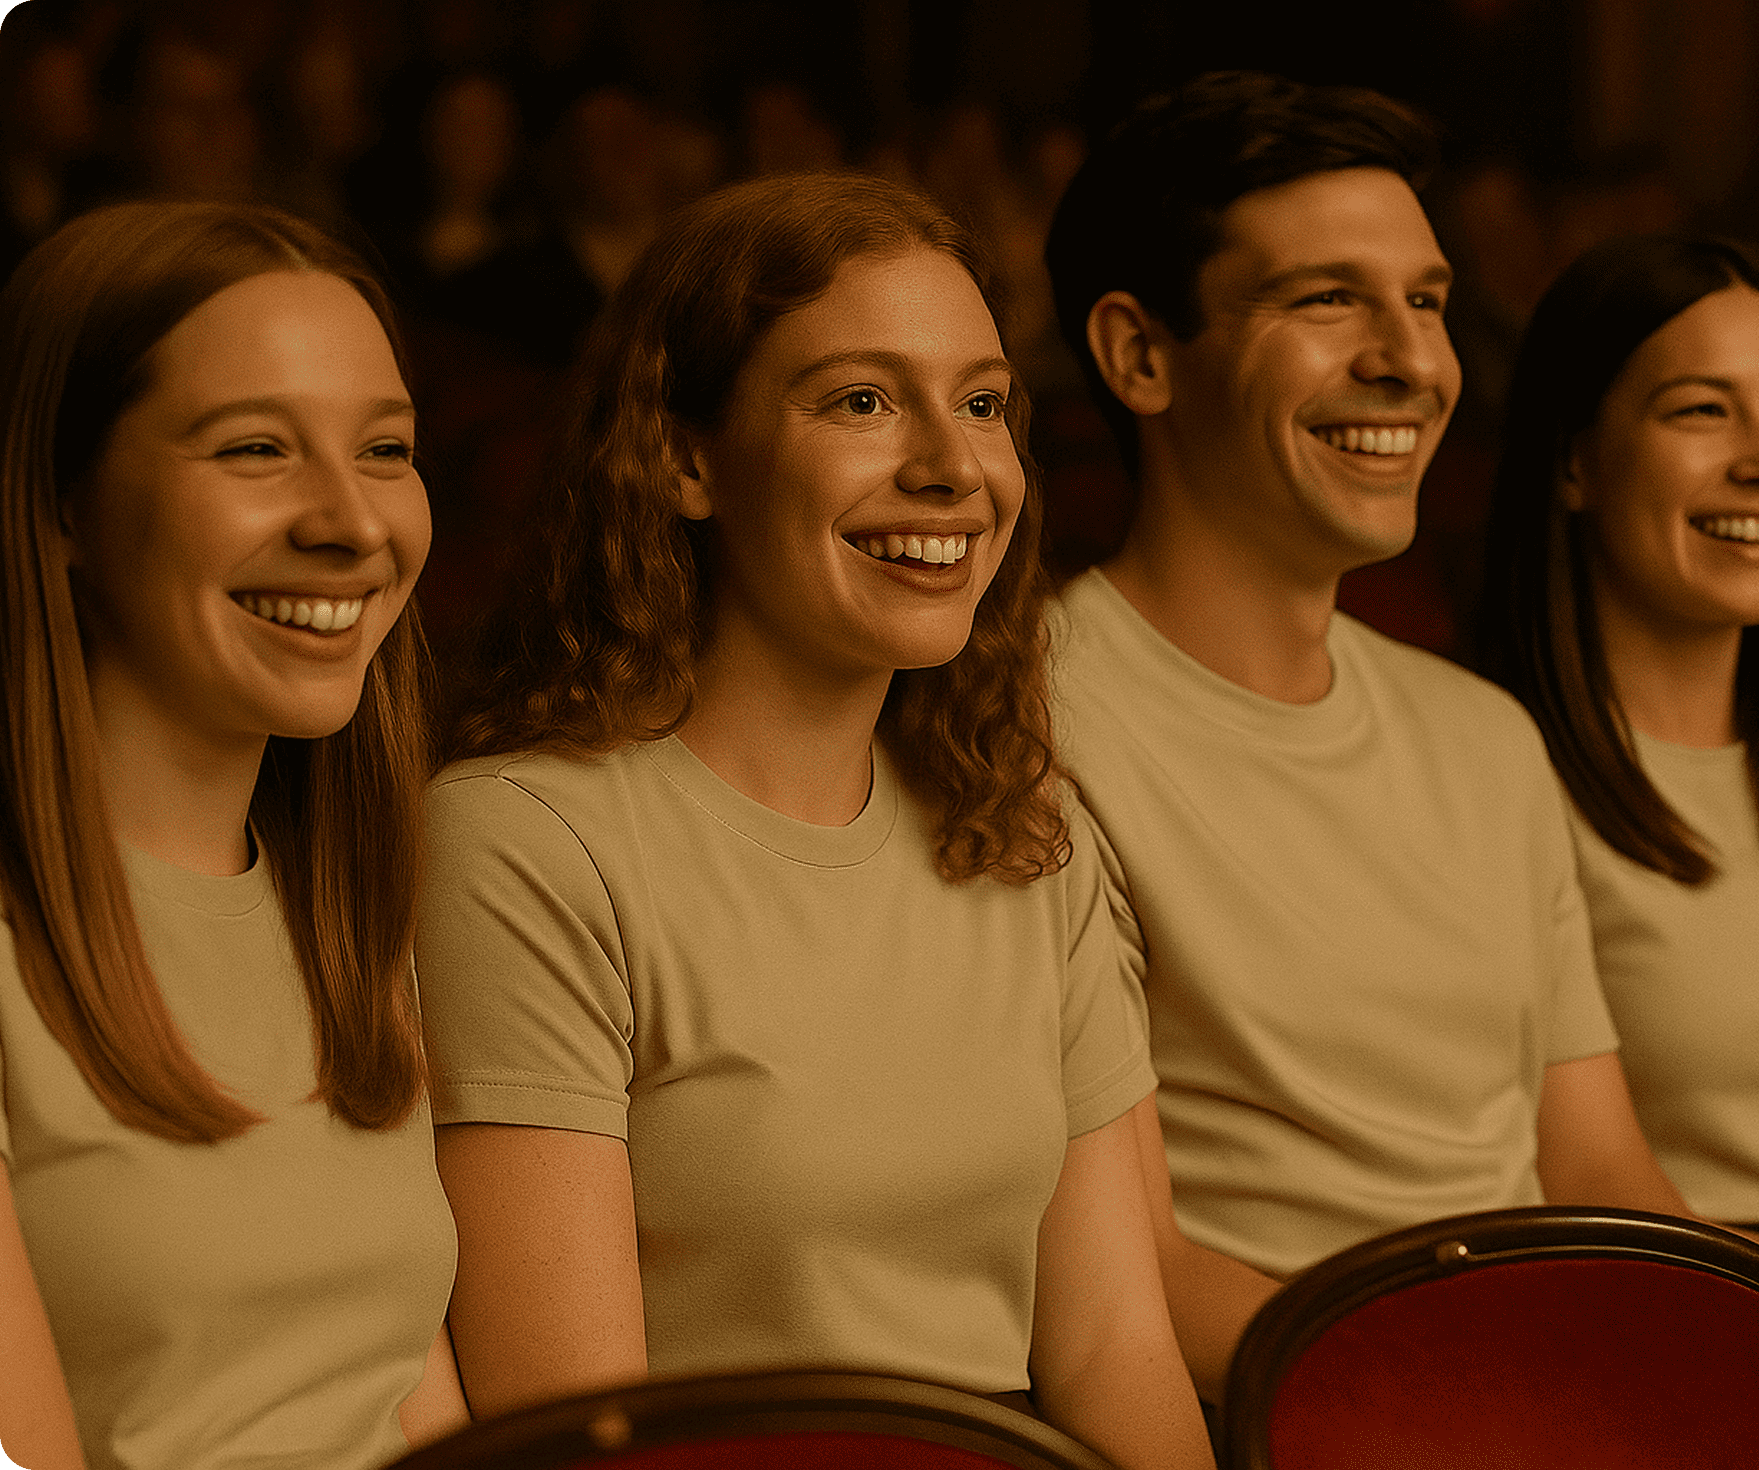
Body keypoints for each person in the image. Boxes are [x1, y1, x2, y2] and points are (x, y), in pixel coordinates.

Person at [414, 172, 1214, 1470]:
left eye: (981, 402)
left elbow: (1111, 1345)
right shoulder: (524, 840)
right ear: (683, 457)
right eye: (859, 400)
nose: (953, 467)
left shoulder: (1016, 823)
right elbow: (579, 1435)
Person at [1040, 70, 1696, 1403]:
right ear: (1137, 355)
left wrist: (1724, 1360)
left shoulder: (1481, 734)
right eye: (1326, 299)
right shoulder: (1030, 731)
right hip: (1321, 1409)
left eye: (1427, 300)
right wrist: (1478, 1406)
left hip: (1569, 1385)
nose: (1410, 359)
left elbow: (1599, 1175)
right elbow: (1132, 1272)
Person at [0, 200, 464, 1469]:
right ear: (58, 503)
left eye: (384, 450)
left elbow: (421, 1414)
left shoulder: (348, 910)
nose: (352, 524)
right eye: (256, 448)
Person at [1477, 232, 1759, 1368]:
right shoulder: (1487, 760)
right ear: (1573, 462)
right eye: (1700, 412)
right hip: (1678, 1315)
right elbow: (1572, 1189)